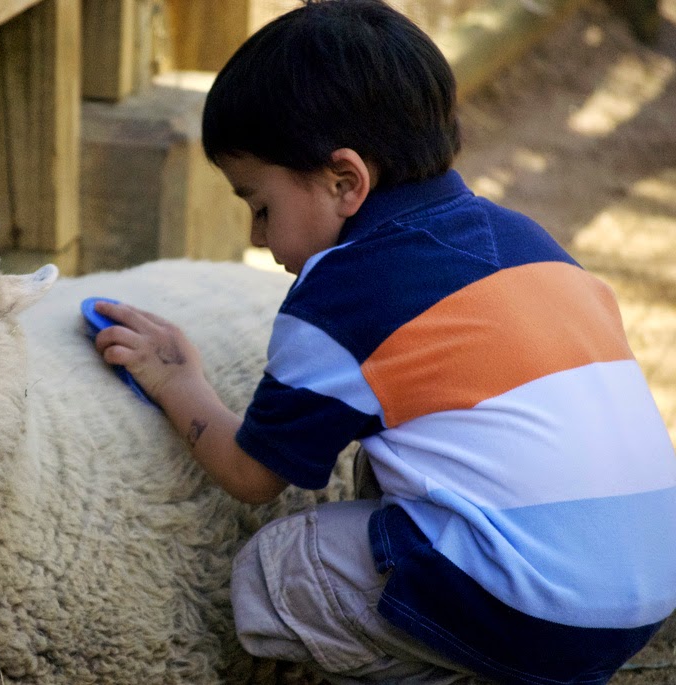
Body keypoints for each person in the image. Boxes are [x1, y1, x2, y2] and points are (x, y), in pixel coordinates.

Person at [92, 0, 676, 682]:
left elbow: (252, 476)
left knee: (277, 566)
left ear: (345, 182)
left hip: (537, 611)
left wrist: (175, 380)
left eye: (260, 206)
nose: (257, 238)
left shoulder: (343, 297)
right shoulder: (525, 239)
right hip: (643, 594)